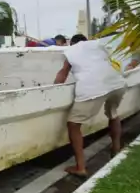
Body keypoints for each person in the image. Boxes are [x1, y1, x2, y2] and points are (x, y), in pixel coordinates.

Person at [53, 34, 127, 177]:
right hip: (116, 83)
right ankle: (116, 148)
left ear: (72, 43)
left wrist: (54, 90)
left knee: (74, 124)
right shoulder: (98, 45)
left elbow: (63, 72)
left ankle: (80, 167)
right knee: (113, 112)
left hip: (93, 87)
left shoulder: (71, 51)